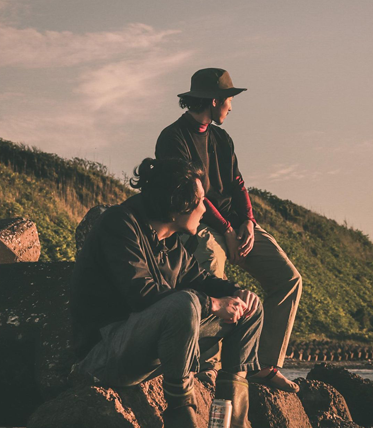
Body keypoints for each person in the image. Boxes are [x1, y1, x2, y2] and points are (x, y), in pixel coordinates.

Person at [70, 157, 263, 428]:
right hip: (106, 353)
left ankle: (231, 419)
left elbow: (201, 279)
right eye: (200, 201)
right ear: (177, 204)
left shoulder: (169, 243)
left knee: (250, 308)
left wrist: (236, 291)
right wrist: (214, 305)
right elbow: (142, 294)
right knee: (184, 304)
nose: (205, 209)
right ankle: (181, 416)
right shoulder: (119, 225)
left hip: (150, 347)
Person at [155, 68, 302, 393]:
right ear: (215, 100)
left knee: (288, 278)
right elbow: (193, 197)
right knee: (210, 265)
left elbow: (237, 182)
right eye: (230, 99)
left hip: (236, 226)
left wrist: (247, 222)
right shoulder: (173, 138)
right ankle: (209, 371)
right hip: (200, 225)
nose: (232, 107)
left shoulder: (222, 138)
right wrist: (227, 230)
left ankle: (263, 367)